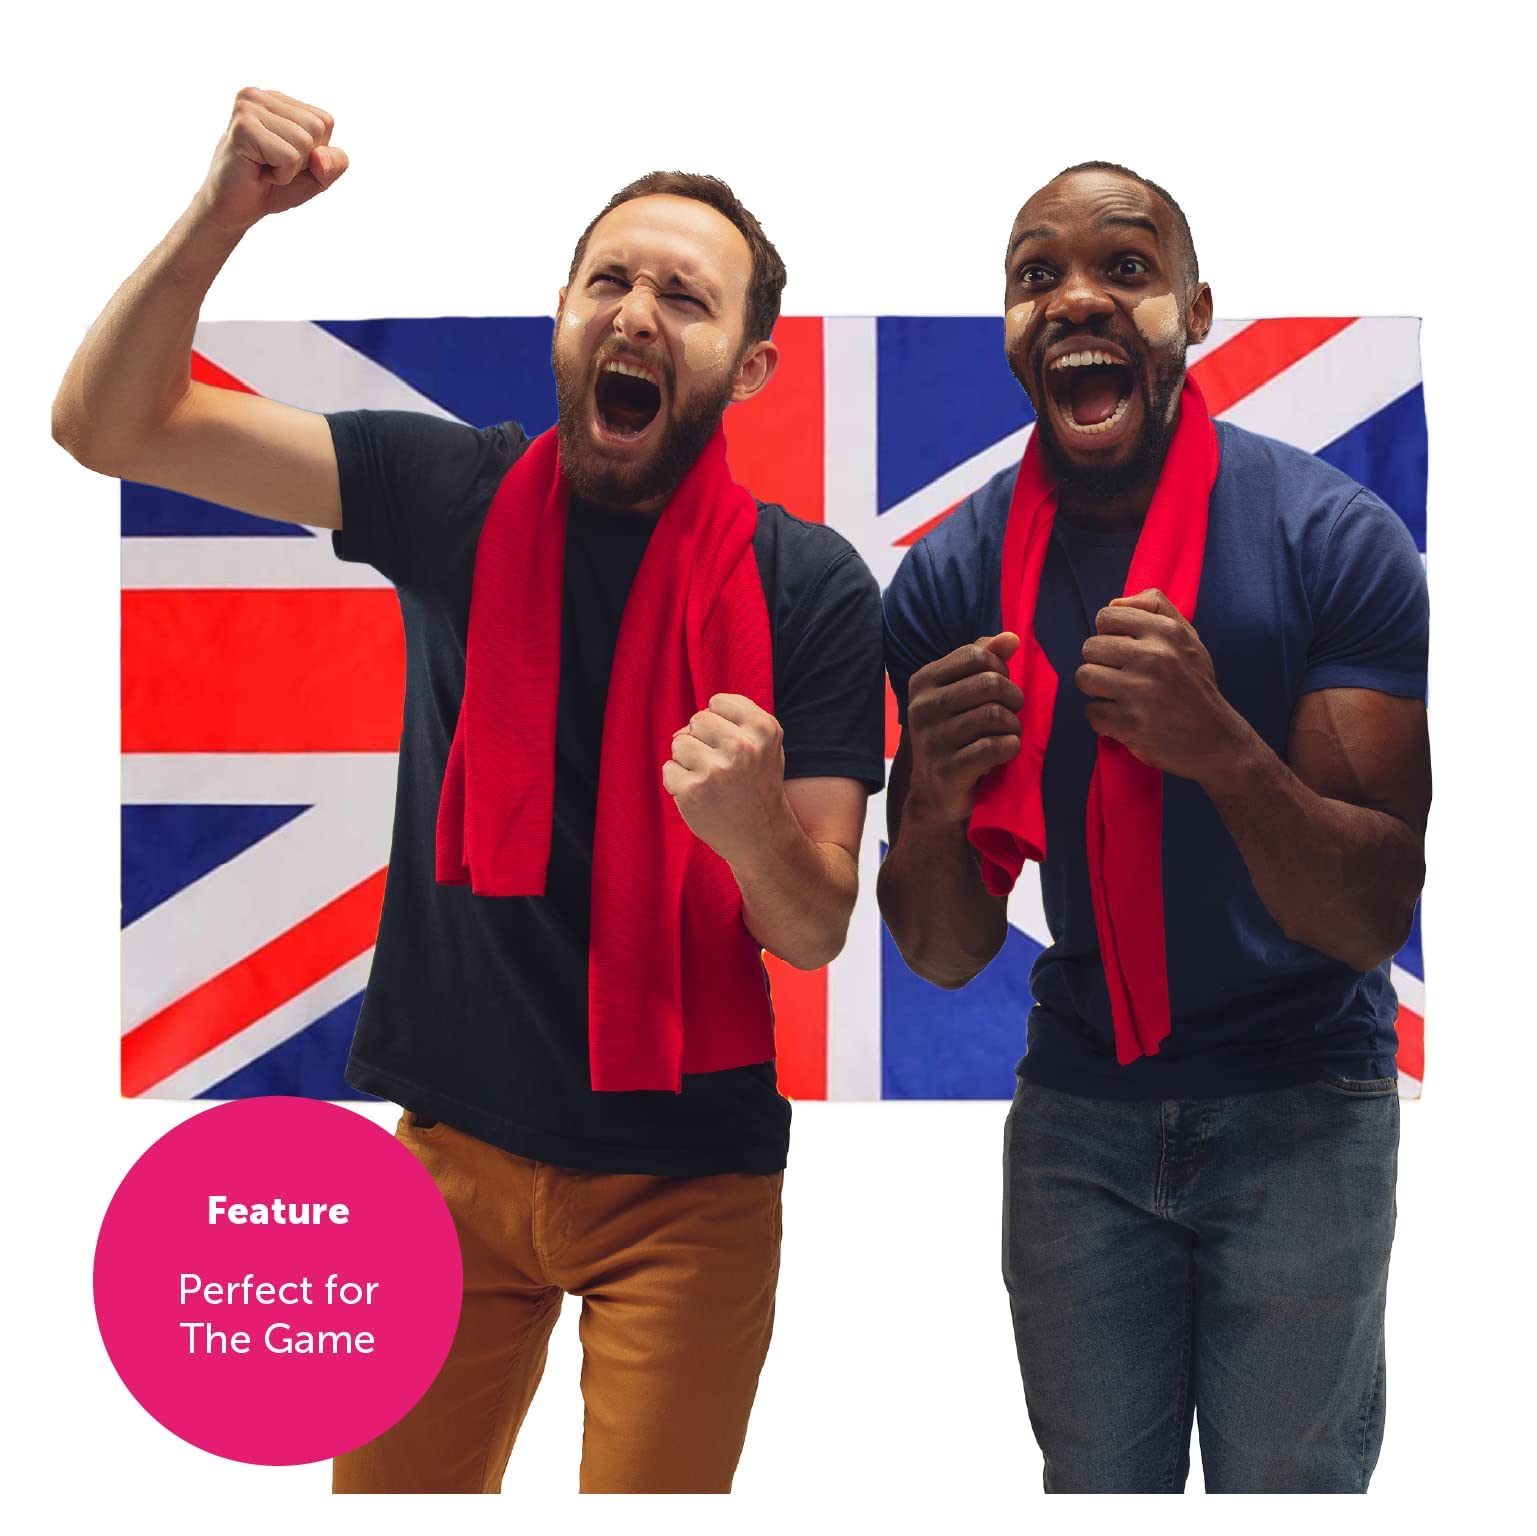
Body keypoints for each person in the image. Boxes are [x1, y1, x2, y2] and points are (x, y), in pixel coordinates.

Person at [54, 87, 885, 1494]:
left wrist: (747, 829)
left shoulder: (811, 589)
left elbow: (810, 928)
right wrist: (220, 217)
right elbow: (110, 425)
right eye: (607, 279)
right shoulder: (452, 491)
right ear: (560, 313)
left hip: (691, 1183)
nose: (635, 311)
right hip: (446, 1161)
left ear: (748, 368)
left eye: (685, 298)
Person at [878, 161, 1429, 1494]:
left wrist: (1220, 749)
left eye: (1123, 268)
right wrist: (936, 803)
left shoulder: (1329, 539)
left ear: (1193, 308)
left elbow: (1365, 917)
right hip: (1081, 1115)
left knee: (1289, 1502)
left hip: (1303, 1098)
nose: (1076, 295)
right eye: (1034, 275)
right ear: (1009, 329)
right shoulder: (952, 578)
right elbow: (943, 951)